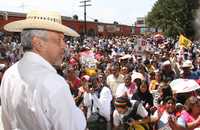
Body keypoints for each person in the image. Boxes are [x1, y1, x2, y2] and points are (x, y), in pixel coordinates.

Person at [0, 10, 86, 130]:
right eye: (59, 40)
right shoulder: (54, 83)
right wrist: (78, 113)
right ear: (38, 43)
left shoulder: (9, 74)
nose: (64, 45)